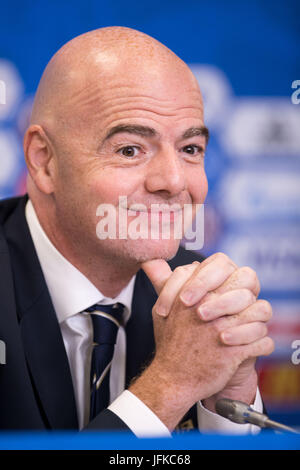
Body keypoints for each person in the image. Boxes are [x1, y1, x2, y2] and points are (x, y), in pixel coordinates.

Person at [0, 26, 274, 435]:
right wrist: (171, 385)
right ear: (44, 161)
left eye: (190, 149)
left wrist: (226, 401)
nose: (174, 182)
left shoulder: (199, 302)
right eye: (130, 150)